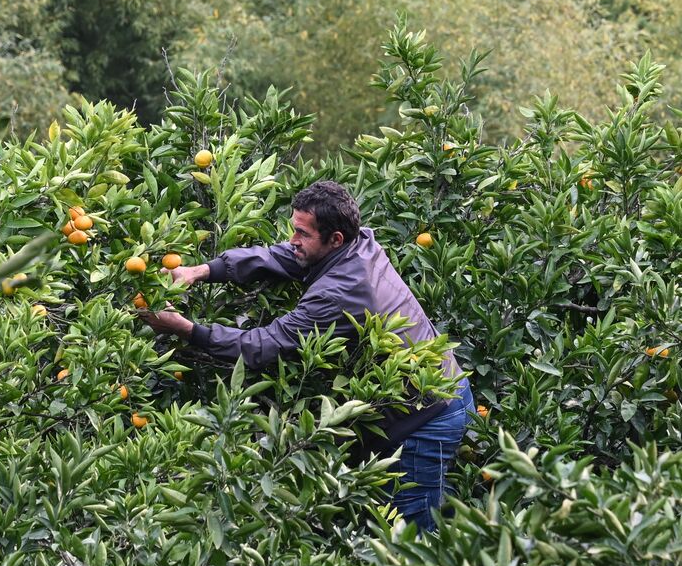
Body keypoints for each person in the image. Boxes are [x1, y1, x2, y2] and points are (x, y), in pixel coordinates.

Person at [138, 180, 473, 533]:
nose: (293, 240)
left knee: (412, 531)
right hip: (446, 386)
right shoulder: (360, 244)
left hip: (428, 417)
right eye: (294, 228)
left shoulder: (341, 293)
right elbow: (282, 255)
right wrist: (200, 271)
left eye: (303, 233)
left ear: (335, 239)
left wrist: (185, 329)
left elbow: (263, 346)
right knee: (436, 511)